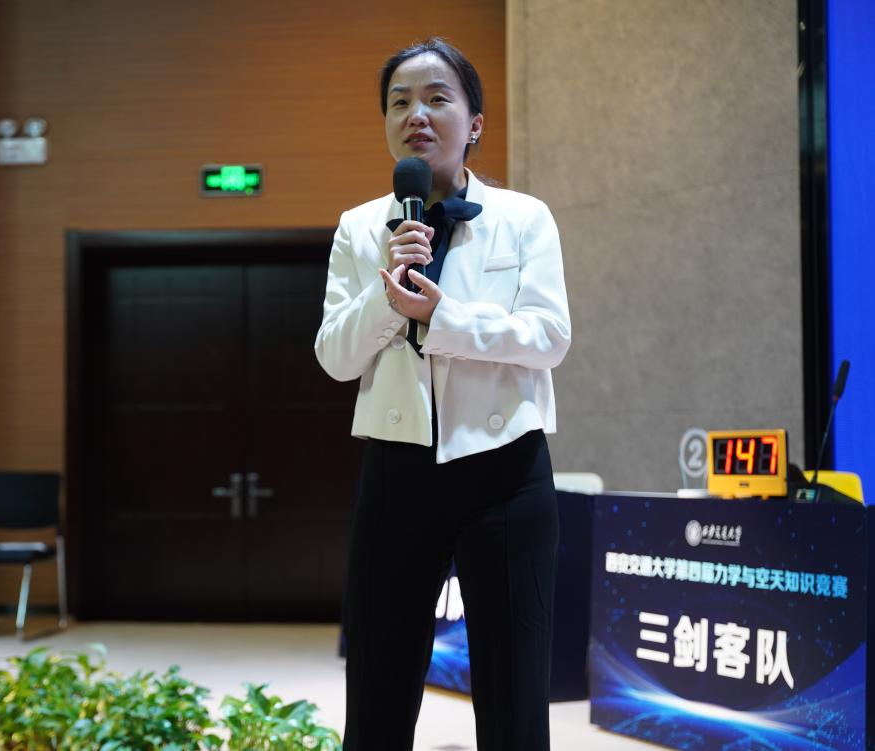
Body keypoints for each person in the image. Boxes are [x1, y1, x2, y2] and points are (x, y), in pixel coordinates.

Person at [313, 38, 571, 750]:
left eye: (436, 99)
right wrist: (388, 295)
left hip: (506, 470)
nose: (416, 115)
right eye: (399, 102)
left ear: (474, 122)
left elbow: (550, 337)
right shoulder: (359, 228)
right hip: (396, 471)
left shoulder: (524, 217)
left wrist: (443, 318)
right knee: (378, 686)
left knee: (515, 694)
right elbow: (335, 357)